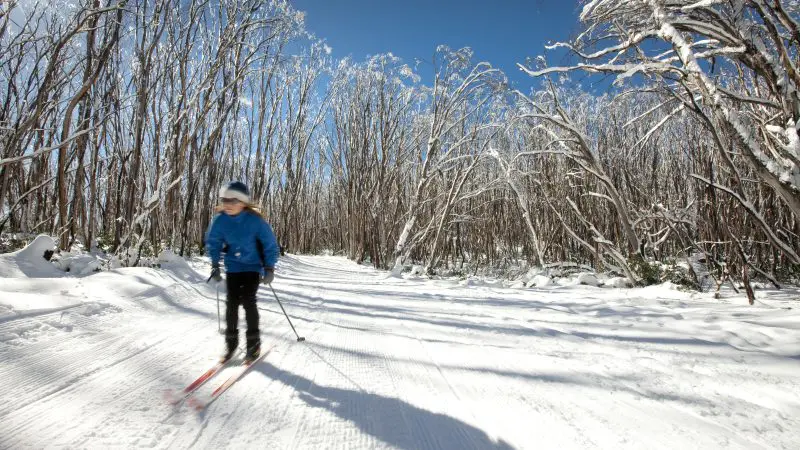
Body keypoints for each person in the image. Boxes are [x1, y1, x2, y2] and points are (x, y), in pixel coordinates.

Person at [205, 181, 279, 362]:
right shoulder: (220, 220)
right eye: (225, 200)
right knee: (231, 304)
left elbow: (270, 245)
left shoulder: (255, 221)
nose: (228, 204)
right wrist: (215, 264)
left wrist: (269, 267)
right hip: (233, 267)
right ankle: (230, 345)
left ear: (243, 202)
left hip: (253, 267)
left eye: (233, 200)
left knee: (248, 301)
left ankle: (253, 345)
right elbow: (213, 242)